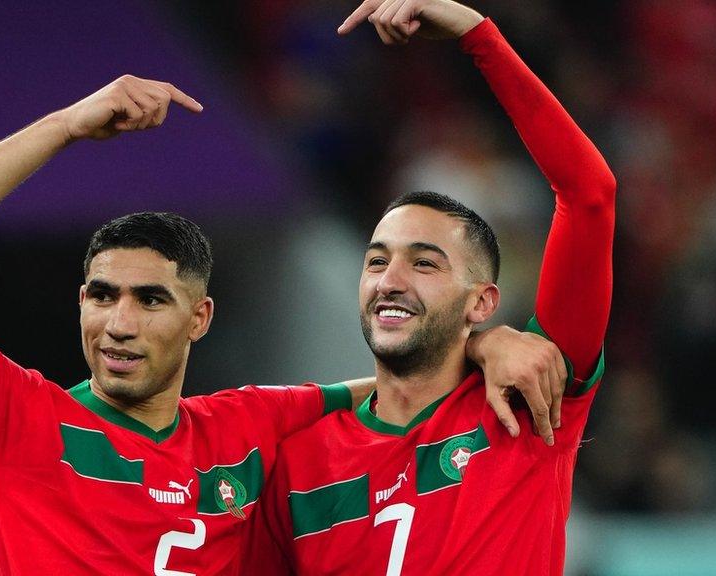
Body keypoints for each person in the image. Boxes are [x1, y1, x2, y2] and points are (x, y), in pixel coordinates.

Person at [0, 73, 568, 573]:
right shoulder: (16, 423)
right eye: (102, 295)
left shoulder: (246, 427)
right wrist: (66, 125)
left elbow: (392, 387)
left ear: (199, 318)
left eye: (150, 301)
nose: (118, 323)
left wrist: (480, 340)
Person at [244, 1, 615, 574]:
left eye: (424, 264)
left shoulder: (530, 393)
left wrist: (476, 34)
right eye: (376, 262)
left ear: (483, 301)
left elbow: (589, 196)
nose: (391, 282)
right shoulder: (299, 462)